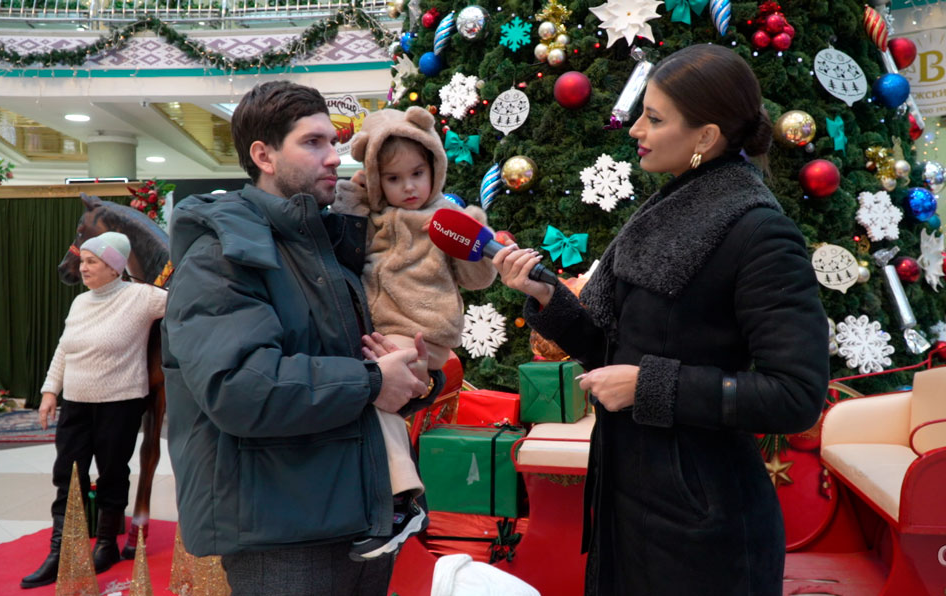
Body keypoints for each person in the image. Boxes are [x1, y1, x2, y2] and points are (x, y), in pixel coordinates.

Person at [492, 44, 829, 595]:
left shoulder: (759, 234)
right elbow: (614, 349)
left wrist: (651, 385)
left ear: (705, 137)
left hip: (703, 530)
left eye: (654, 118)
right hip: (632, 504)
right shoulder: (668, 210)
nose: (634, 131)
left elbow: (795, 395)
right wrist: (547, 297)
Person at [162, 81, 443, 596]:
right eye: (312, 143)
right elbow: (239, 386)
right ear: (263, 155)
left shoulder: (325, 249)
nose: (334, 157)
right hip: (282, 539)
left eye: (333, 141)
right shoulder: (221, 255)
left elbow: (354, 371)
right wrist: (370, 380)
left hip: (357, 521)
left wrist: (406, 376)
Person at [333, 106, 498, 560]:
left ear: (435, 169)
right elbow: (343, 246)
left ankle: (403, 500)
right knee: (353, 389)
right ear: (374, 178)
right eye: (392, 178)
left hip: (422, 333)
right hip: (379, 330)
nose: (408, 187)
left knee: (376, 386)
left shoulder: (444, 220)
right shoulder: (375, 219)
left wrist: (478, 240)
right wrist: (353, 197)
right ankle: (378, 498)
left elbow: (478, 279)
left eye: (418, 173)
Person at [22, 232, 167, 589]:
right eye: (83, 260)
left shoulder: (143, 298)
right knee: (67, 477)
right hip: (76, 403)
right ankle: (60, 551)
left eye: (92, 261)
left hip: (120, 403)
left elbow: (187, 302)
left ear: (116, 268)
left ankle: (105, 546)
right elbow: (64, 348)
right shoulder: (80, 303)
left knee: (113, 474)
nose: (82, 267)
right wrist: (49, 391)